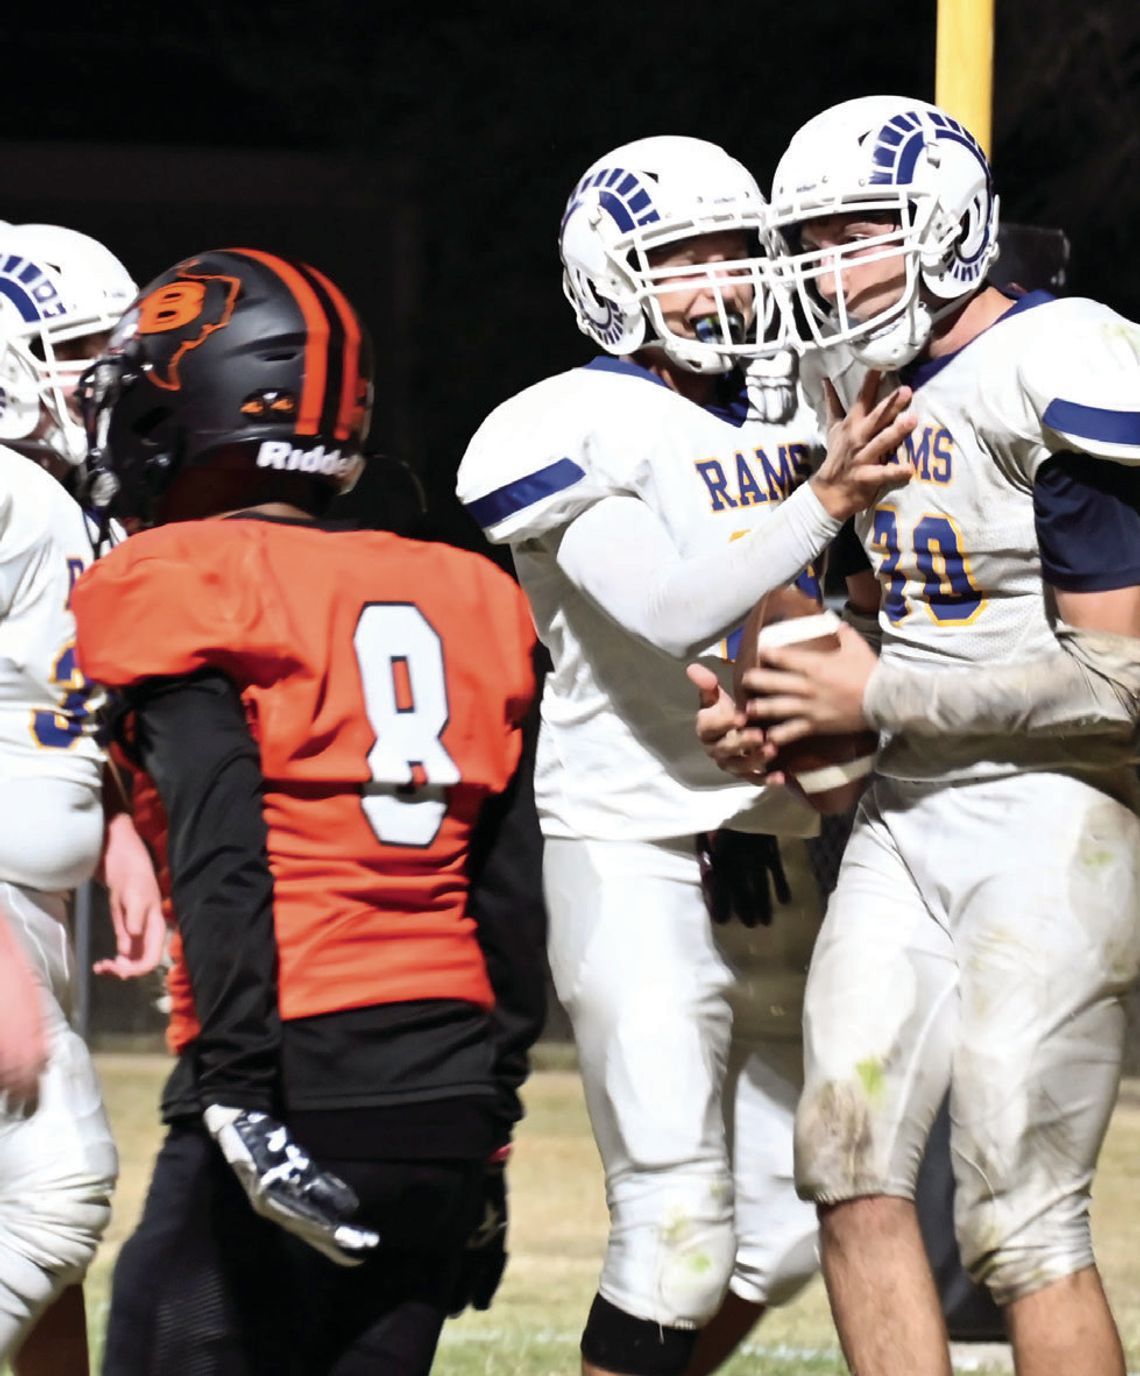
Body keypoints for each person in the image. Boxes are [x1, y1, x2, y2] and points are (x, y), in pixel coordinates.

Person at [455, 135, 915, 1376]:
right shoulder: (570, 425)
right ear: (614, 282)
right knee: (674, 1227)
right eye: (681, 262)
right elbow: (664, 606)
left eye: (734, 253)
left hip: (796, 850)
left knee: (778, 1233)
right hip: (639, 842)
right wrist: (822, 501)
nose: (720, 283)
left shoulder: (809, 401)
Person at [697, 95, 1140, 1376]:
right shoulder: (861, 383)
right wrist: (766, 699)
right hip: (906, 815)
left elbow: (1123, 684)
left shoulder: (1062, 358)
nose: (829, 269)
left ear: (945, 224)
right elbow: (852, 611)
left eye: (859, 235)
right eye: (814, 240)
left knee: (1021, 1219)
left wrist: (875, 697)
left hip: (1059, 812)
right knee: (844, 1161)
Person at [71, 246, 547, 1376]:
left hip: (291, 1063)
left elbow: (221, 846)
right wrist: (492, 1122)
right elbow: (512, 883)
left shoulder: (183, 575)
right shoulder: (472, 588)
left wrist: (233, 1089)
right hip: (444, 1086)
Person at [0, 223, 144, 1376]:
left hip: (32, 890)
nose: (111, 372)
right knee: (59, 1190)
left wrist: (126, 826)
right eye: (79, 347)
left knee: (38, 1225)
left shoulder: (69, 502)